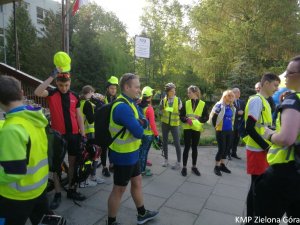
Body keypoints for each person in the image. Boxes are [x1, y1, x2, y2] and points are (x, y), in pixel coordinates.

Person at [107, 73, 158, 225]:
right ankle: (111, 221)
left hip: (132, 153)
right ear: (126, 87)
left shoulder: (131, 103)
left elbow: (143, 122)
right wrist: (140, 122)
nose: (139, 90)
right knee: (119, 189)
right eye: (136, 87)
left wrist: (140, 122)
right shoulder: (122, 106)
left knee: (137, 182)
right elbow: (139, 131)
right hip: (123, 155)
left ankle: (142, 214)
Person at [254, 56, 300, 223]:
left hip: (285, 172)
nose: (285, 76)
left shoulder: (294, 99)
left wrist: (270, 135)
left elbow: (287, 138)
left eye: (289, 72)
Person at [34, 62, 86, 209]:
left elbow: (79, 116)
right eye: (61, 85)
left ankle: (71, 188)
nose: (64, 88)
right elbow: (38, 92)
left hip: (74, 135)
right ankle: (57, 192)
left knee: (73, 163)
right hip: (58, 136)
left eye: (67, 85)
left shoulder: (75, 96)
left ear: (70, 83)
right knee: (56, 166)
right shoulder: (51, 93)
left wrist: (83, 133)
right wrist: (53, 75)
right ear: (57, 83)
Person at [0, 75, 51, 225]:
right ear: (22, 93)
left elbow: (13, 172)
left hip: (16, 196)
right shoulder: (34, 118)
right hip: (39, 188)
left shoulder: (11, 129)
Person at [244, 73, 280, 224]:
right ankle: (251, 219)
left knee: (257, 186)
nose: (276, 89)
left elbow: (261, 126)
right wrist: (266, 146)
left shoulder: (264, 101)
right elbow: (249, 128)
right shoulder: (257, 101)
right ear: (265, 83)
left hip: (260, 150)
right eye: (275, 85)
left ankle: (251, 218)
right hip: (257, 150)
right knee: (256, 187)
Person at [180, 85, 209, 176]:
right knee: (187, 147)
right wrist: (186, 119)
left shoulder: (203, 104)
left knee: (195, 147)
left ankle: (194, 167)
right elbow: (181, 115)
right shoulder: (186, 103)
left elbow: (206, 117)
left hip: (196, 128)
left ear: (195, 93)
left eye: (189, 92)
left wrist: (199, 120)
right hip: (187, 128)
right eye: (188, 92)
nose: (188, 94)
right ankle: (184, 167)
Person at [79, 85, 105, 187]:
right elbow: (91, 119)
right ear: (89, 92)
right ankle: (88, 177)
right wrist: (98, 109)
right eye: (93, 93)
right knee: (93, 154)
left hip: (82, 132)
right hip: (89, 133)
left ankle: (85, 178)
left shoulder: (80, 102)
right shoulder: (87, 104)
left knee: (85, 156)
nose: (93, 95)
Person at [210, 90, 236, 176]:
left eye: (232, 96)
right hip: (220, 130)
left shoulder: (232, 107)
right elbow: (213, 118)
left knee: (227, 148)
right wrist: (216, 127)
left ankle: (222, 165)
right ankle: (216, 167)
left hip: (229, 130)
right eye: (229, 96)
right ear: (225, 97)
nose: (231, 98)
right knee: (221, 149)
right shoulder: (219, 105)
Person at [160, 82, 182, 169]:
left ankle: (178, 162)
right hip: (164, 124)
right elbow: (160, 111)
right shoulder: (163, 100)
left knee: (177, 143)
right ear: (167, 92)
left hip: (174, 125)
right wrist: (161, 111)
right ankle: (166, 160)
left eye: (174, 90)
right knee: (164, 142)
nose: (174, 92)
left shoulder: (178, 100)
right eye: (172, 91)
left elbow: (180, 111)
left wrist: (167, 109)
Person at [138, 86, 159, 176]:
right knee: (144, 152)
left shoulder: (138, 105)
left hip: (140, 132)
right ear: (150, 97)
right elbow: (152, 123)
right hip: (148, 134)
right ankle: (142, 170)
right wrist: (156, 134)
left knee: (140, 151)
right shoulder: (149, 108)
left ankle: (138, 169)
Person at [101, 76, 119, 177]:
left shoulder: (117, 99)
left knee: (112, 148)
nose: (113, 90)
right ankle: (104, 167)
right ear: (107, 88)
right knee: (104, 149)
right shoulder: (103, 99)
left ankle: (112, 164)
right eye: (112, 88)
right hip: (104, 128)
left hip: (113, 128)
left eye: (115, 88)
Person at [229, 87, 245, 160]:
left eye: (239, 92)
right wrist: (237, 113)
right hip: (232, 123)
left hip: (239, 123)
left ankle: (234, 153)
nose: (239, 93)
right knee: (231, 139)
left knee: (237, 139)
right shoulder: (230, 102)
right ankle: (228, 153)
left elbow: (244, 111)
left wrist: (242, 113)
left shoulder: (242, 102)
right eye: (238, 92)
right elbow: (229, 112)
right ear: (234, 93)